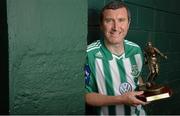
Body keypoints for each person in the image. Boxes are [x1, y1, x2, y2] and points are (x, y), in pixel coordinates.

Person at [84, 0, 148, 115]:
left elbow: (137, 77)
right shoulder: (90, 54)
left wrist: (145, 92)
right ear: (101, 24)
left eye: (121, 20)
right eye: (109, 21)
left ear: (129, 23)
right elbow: (87, 96)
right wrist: (121, 99)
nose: (116, 27)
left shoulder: (136, 50)